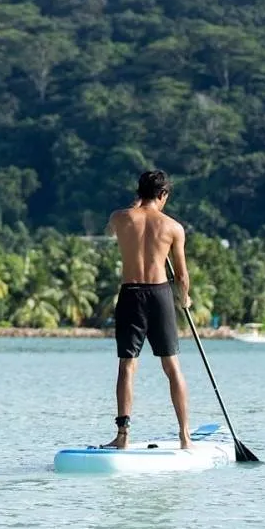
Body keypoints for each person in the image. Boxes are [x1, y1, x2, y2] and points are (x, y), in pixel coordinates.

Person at [102, 169, 192, 451]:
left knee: (127, 365)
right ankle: (185, 437)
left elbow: (110, 232)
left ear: (139, 191)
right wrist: (184, 298)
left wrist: (134, 206)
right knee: (171, 366)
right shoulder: (173, 227)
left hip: (130, 295)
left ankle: (122, 436)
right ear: (163, 195)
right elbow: (181, 276)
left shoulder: (120, 218)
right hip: (159, 295)